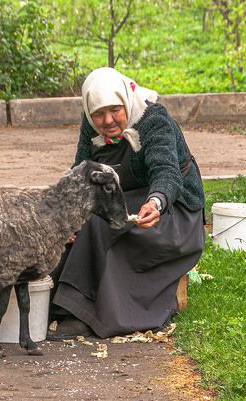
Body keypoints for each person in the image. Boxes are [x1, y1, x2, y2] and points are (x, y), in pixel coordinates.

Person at [48, 67, 205, 340]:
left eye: (115, 111)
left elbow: (166, 174)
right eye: (98, 113)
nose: (107, 120)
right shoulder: (91, 123)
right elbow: (82, 172)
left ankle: (80, 312)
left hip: (172, 213)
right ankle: (55, 303)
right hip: (129, 201)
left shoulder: (153, 120)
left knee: (100, 223)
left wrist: (156, 202)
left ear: (126, 101)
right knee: (79, 221)